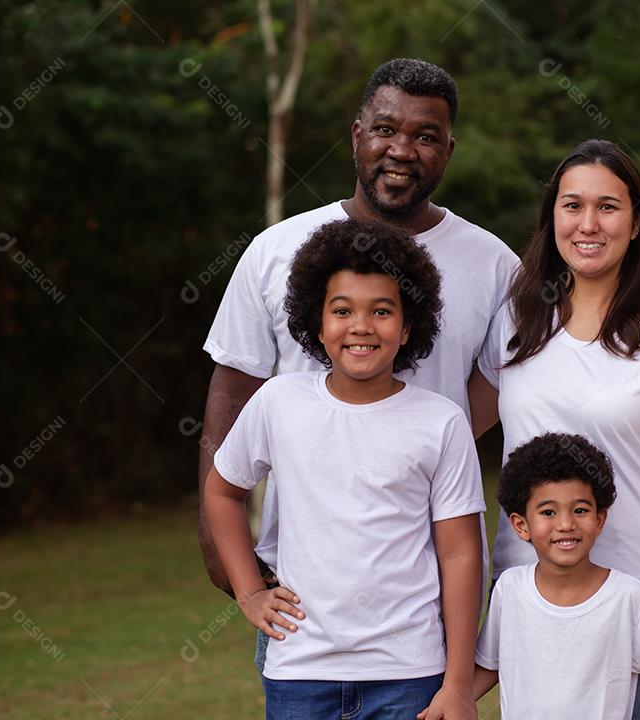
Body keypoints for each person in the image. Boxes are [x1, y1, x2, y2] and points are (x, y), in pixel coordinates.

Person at [197, 58, 517, 677]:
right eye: (385, 129)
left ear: (448, 150)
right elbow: (233, 389)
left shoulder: (493, 265)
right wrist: (217, 539)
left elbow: (505, 383)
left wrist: (414, 446)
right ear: (356, 134)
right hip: (306, 592)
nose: (402, 150)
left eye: (426, 136)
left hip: (426, 600)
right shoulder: (275, 250)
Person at [474, 139, 640, 717]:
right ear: (552, 218)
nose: (588, 224)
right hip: (531, 586)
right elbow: (452, 431)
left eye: (608, 207)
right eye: (572, 206)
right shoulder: (515, 322)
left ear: (637, 222)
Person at [204, 218, 483, 719]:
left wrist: (458, 682)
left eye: (381, 310)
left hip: (409, 674)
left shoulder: (441, 422)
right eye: (342, 310)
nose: (361, 325)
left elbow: (461, 554)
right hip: (300, 670)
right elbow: (223, 492)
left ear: (407, 326)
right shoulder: (278, 401)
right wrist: (248, 592)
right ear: (318, 322)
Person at [418, 433, 640, 720]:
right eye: (548, 512)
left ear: (599, 520)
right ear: (521, 525)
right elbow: (491, 664)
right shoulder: (509, 591)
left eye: (580, 510)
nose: (565, 524)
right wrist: (451, 700)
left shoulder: (629, 598)